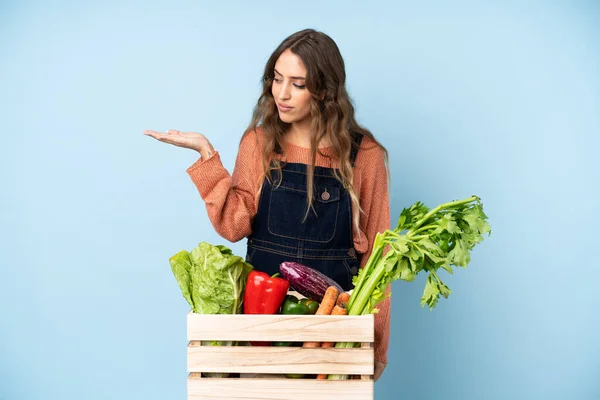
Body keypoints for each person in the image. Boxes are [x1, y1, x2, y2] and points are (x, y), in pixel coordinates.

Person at [144, 28, 391, 381]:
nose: (282, 94)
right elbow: (234, 226)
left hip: (334, 337)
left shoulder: (364, 156)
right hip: (260, 332)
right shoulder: (259, 143)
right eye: (277, 79)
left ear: (324, 90)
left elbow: (379, 258)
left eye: (298, 83)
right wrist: (206, 155)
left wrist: (377, 345)